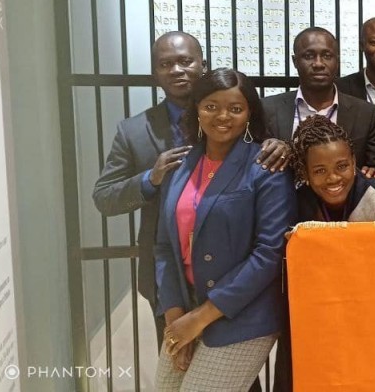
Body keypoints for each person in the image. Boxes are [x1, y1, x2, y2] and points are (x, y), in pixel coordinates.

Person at [92, 32, 289, 349]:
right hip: (168, 275)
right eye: (165, 64)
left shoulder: (238, 113)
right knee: (177, 359)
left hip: (234, 276)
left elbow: (267, 160)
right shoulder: (133, 132)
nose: (176, 70)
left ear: (203, 65)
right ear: (155, 72)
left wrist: (282, 146)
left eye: (185, 61)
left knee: (229, 371)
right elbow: (104, 197)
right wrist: (151, 178)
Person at [154, 68, 297, 390]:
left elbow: (269, 254)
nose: (222, 116)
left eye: (235, 108)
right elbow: (164, 247)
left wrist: (200, 318)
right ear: (197, 109)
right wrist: (176, 318)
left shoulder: (266, 168)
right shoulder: (180, 166)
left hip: (243, 314)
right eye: (211, 106)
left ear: (249, 114)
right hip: (186, 306)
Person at [273, 115, 375, 392]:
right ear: (305, 173)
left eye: (342, 166)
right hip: (317, 322)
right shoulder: (294, 204)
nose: (333, 178)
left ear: (354, 162)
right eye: (319, 170)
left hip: (373, 321)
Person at [263, 27, 375, 176]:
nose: (318, 64)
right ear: (295, 62)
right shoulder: (267, 109)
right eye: (309, 56)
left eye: (327, 56)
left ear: (337, 61)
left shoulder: (366, 114)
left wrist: (373, 173)